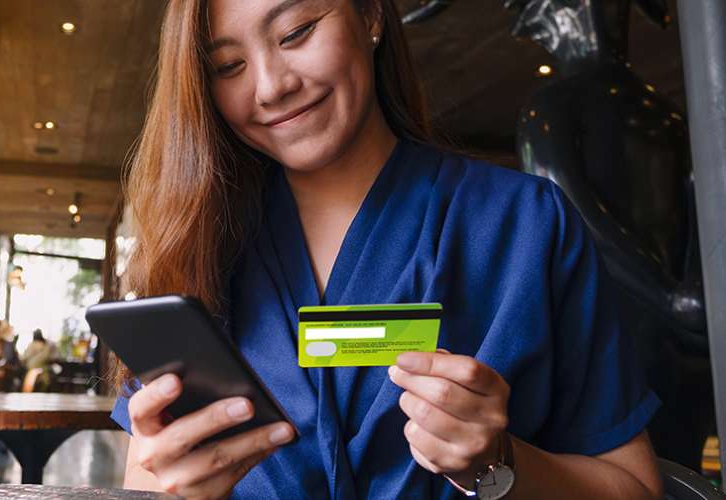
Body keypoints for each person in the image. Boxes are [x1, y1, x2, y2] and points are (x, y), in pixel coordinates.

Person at [109, 0, 663, 498]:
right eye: (228, 66)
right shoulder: (201, 243)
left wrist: (499, 465)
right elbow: (145, 475)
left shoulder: (524, 224)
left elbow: (636, 487)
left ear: (370, 16)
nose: (270, 86)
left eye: (297, 31)